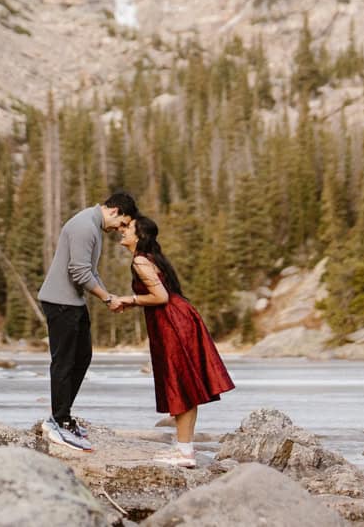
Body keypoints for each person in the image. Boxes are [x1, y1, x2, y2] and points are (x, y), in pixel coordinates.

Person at [111, 215, 234, 467]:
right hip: (178, 320)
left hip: (173, 323)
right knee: (185, 386)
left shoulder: (140, 261)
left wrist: (128, 299)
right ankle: (184, 449)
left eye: (128, 228)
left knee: (180, 385)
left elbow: (160, 296)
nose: (122, 231)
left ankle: (184, 452)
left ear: (140, 236)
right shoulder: (151, 259)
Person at [37, 190, 138, 452]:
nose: (120, 229)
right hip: (61, 302)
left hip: (72, 302)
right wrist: (107, 299)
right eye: (123, 223)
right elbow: (79, 272)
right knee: (64, 361)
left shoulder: (92, 224)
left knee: (82, 357)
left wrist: (110, 296)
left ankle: (64, 415)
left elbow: (89, 272)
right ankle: (58, 422)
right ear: (114, 211)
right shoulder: (85, 226)